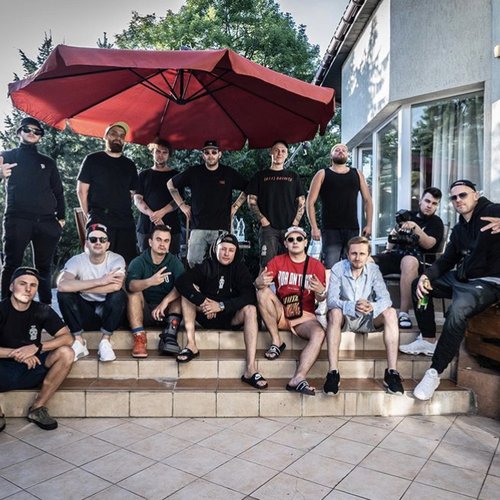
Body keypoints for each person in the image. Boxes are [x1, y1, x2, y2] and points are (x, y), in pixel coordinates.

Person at [412, 179, 500, 400]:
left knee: (457, 309)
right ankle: (428, 338)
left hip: (488, 282)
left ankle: (434, 372)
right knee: (420, 284)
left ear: (476, 195)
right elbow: (446, 261)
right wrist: (426, 276)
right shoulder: (460, 229)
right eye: (454, 197)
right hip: (464, 279)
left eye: (463, 195)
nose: (458, 200)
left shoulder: (492, 211)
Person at [175, 233, 267, 389]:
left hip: (230, 317)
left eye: (231, 250)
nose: (226, 253)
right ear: (215, 249)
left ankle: (250, 369)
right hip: (206, 313)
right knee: (188, 293)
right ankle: (191, 344)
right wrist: (203, 301)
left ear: (235, 252)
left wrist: (222, 306)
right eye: (223, 249)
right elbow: (182, 281)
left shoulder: (239, 268)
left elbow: (249, 295)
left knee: (251, 309)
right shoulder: (206, 265)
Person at [324, 236, 404, 396]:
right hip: (346, 316)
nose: (357, 258)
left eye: (362, 254)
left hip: (368, 316)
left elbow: (386, 299)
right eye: (354, 253)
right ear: (347, 254)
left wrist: (372, 306)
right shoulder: (338, 268)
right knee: (334, 312)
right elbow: (331, 300)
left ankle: (392, 372)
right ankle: (333, 372)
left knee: (390, 312)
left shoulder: (373, 270)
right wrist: (352, 305)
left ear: (368, 256)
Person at [0, 117, 65, 304]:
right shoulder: (8, 155)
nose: (32, 133)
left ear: (41, 136)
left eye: (37, 131)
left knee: (44, 267)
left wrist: (61, 219)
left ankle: (45, 308)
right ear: (19, 132)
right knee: (11, 264)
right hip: (18, 219)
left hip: (47, 222)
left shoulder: (48, 162)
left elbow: (58, 191)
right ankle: (5, 309)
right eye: (27, 129)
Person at [0, 267, 73, 431]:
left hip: (32, 367)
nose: (28, 289)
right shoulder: (2, 309)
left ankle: (37, 408)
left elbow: (68, 338)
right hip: (3, 369)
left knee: (66, 353)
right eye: (22, 283)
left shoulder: (42, 310)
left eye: (33, 285)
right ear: (11, 286)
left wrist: (37, 347)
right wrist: (19, 353)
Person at [255, 226, 326, 395]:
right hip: (282, 312)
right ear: (285, 243)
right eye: (291, 239)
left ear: (305, 242)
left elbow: (321, 298)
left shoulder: (316, 265)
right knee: (262, 291)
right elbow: (259, 284)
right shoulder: (277, 261)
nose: (295, 242)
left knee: (319, 333)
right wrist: (258, 282)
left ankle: (298, 378)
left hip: (304, 316)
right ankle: (276, 341)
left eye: (299, 239)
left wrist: (321, 292)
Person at [167, 140, 247, 267]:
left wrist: (236, 206)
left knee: (221, 264)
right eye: (207, 152)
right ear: (203, 155)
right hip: (198, 226)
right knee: (192, 262)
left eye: (214, 152)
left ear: (219, 154)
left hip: (221, 227)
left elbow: (248, 188)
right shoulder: (194, 172)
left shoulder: (228, 173)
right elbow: (170, 184)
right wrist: (182, 205)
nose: (210, 155)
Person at [373, 187, 444, 330]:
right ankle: (366, 309)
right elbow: (393, 235)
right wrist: (389, 247)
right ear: (420, 201)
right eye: (427, 201)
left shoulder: (436, 222)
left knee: (409, 261)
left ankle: (403, 313)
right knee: (367, 261)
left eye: (434, 203)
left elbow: (429, 244)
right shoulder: (408, 215)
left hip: (421, 259)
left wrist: (414, 227)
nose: (429, 206)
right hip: (397, 254)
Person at [56, 224, 126, 362]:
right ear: (87, 243)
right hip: (85, 313)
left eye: (102, 240)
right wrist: (101, 281)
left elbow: (116, 286)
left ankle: (105, 341)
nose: (98, 242)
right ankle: (79, 341)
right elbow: (62, 285)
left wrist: (79, 287)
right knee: (64, 295)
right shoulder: (76, 260)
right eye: (93, 239)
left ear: (108, 244)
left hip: (108, 313)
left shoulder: (116, 259)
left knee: (118, 296)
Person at [77, 121, 138, 264]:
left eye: (122, 136)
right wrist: (89, 215)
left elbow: (132, 192)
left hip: (125, 220)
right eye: (114, 134)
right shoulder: (92, 159)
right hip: (100, 217)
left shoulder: (129, 164)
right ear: (105, 136)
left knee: (125, 262)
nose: (118, 138)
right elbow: (81, 190)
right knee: (97, 261)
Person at [306, 143, 373, 269]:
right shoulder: (322, 174)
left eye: (343, 150)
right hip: (330, 230)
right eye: (337, 150)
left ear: (347, 155)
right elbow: (310, 202)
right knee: (331, 268)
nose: (341, 151)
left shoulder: (357, 174)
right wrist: (314, 227)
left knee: (354, 267)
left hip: (352, 228)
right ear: (331, 155)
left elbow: (368, 200)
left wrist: (369, 224)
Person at [126, 225, 184, 358]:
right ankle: (139, 338)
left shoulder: (175, 262)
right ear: (150, 242)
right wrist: (150, 281)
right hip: (144, 312)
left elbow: (183, 286)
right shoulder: (139, 261)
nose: (162, 244)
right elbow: (130, 285)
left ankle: (170, 337)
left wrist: (165, 301)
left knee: (180, 294)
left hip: (167, 313)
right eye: (158, 240)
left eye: (166, 241)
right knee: (134, 293)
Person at [247, 140, 306, 266]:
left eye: (283, 151)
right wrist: (263, 221)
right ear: (270, 152)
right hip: (268, 229)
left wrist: (295, 223)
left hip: (290, 227)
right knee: (267, 265)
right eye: (276, 150)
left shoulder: (293, 176)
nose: (280, 153)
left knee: (291, 264)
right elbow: (251, 201)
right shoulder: (260, 176)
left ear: (287, 154)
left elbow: (301, 201)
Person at [134, 139, 183, 256]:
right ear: (152, 152)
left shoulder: (176, 175)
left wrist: (162, 212)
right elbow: (138, 199)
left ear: (169, 155)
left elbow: (178, 201)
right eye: (158, 151)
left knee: (171, 261)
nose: (161, 155)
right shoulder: (143, 175)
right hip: (146, 227)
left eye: (164, 152)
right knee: (145, 260)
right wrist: (154, 216)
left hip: (171, 225)